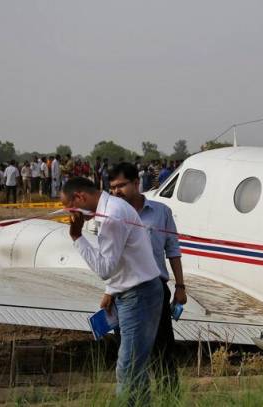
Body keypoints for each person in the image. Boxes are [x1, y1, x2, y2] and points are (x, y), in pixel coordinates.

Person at [61, 177, 162, 404]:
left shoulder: (111, 217)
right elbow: (122, 258)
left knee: (127, 367)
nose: (70, 214)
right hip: (135, 293)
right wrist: (111, 290)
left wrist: (77, 236)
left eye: (69, 207)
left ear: (80, 197)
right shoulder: (112, 208)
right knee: (135, 366)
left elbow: (105, 268)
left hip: (139, 296)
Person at [109, 162, 185, 390]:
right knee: (130, 352)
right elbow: (109, 259)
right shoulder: (112, 216)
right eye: (112, 188)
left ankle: (168, 397)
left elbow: (173, 249)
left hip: (156, 291)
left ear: (136, 183)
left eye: (121, 185)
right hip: (125, 292)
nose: (116, 192)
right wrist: (109, 292)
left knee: (163, 350)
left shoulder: (161, 212)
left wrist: (180, 286)